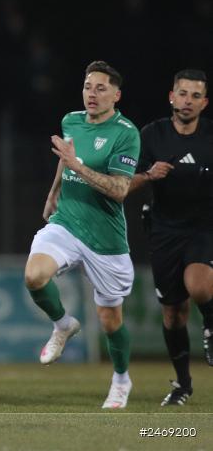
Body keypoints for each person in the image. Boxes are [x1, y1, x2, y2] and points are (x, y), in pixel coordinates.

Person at [23, 60, 140, 409]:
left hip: (106, 239)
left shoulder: (126, 133)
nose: (92, 93)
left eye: (101, 88)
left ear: (116, 95)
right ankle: (63, 324)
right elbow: (66, 157)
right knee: (34, 276)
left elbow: (120, 189)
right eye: (88, 86)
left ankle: (121, 379)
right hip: (67, 223)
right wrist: (53, 192)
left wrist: (79, 167)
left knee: (110, 321)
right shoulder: (71, 120)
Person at [128, 69, 213, 406]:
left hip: (204, 226)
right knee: (173, 314)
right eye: (183, 93)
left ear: (204, 103)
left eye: (195, 95)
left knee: (200, 285)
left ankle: (210, 327)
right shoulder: (152, 135)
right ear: (171, 96)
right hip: (164, 230)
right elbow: (126, 182)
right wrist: (149, 175)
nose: (188, 100)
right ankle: (182, 385)